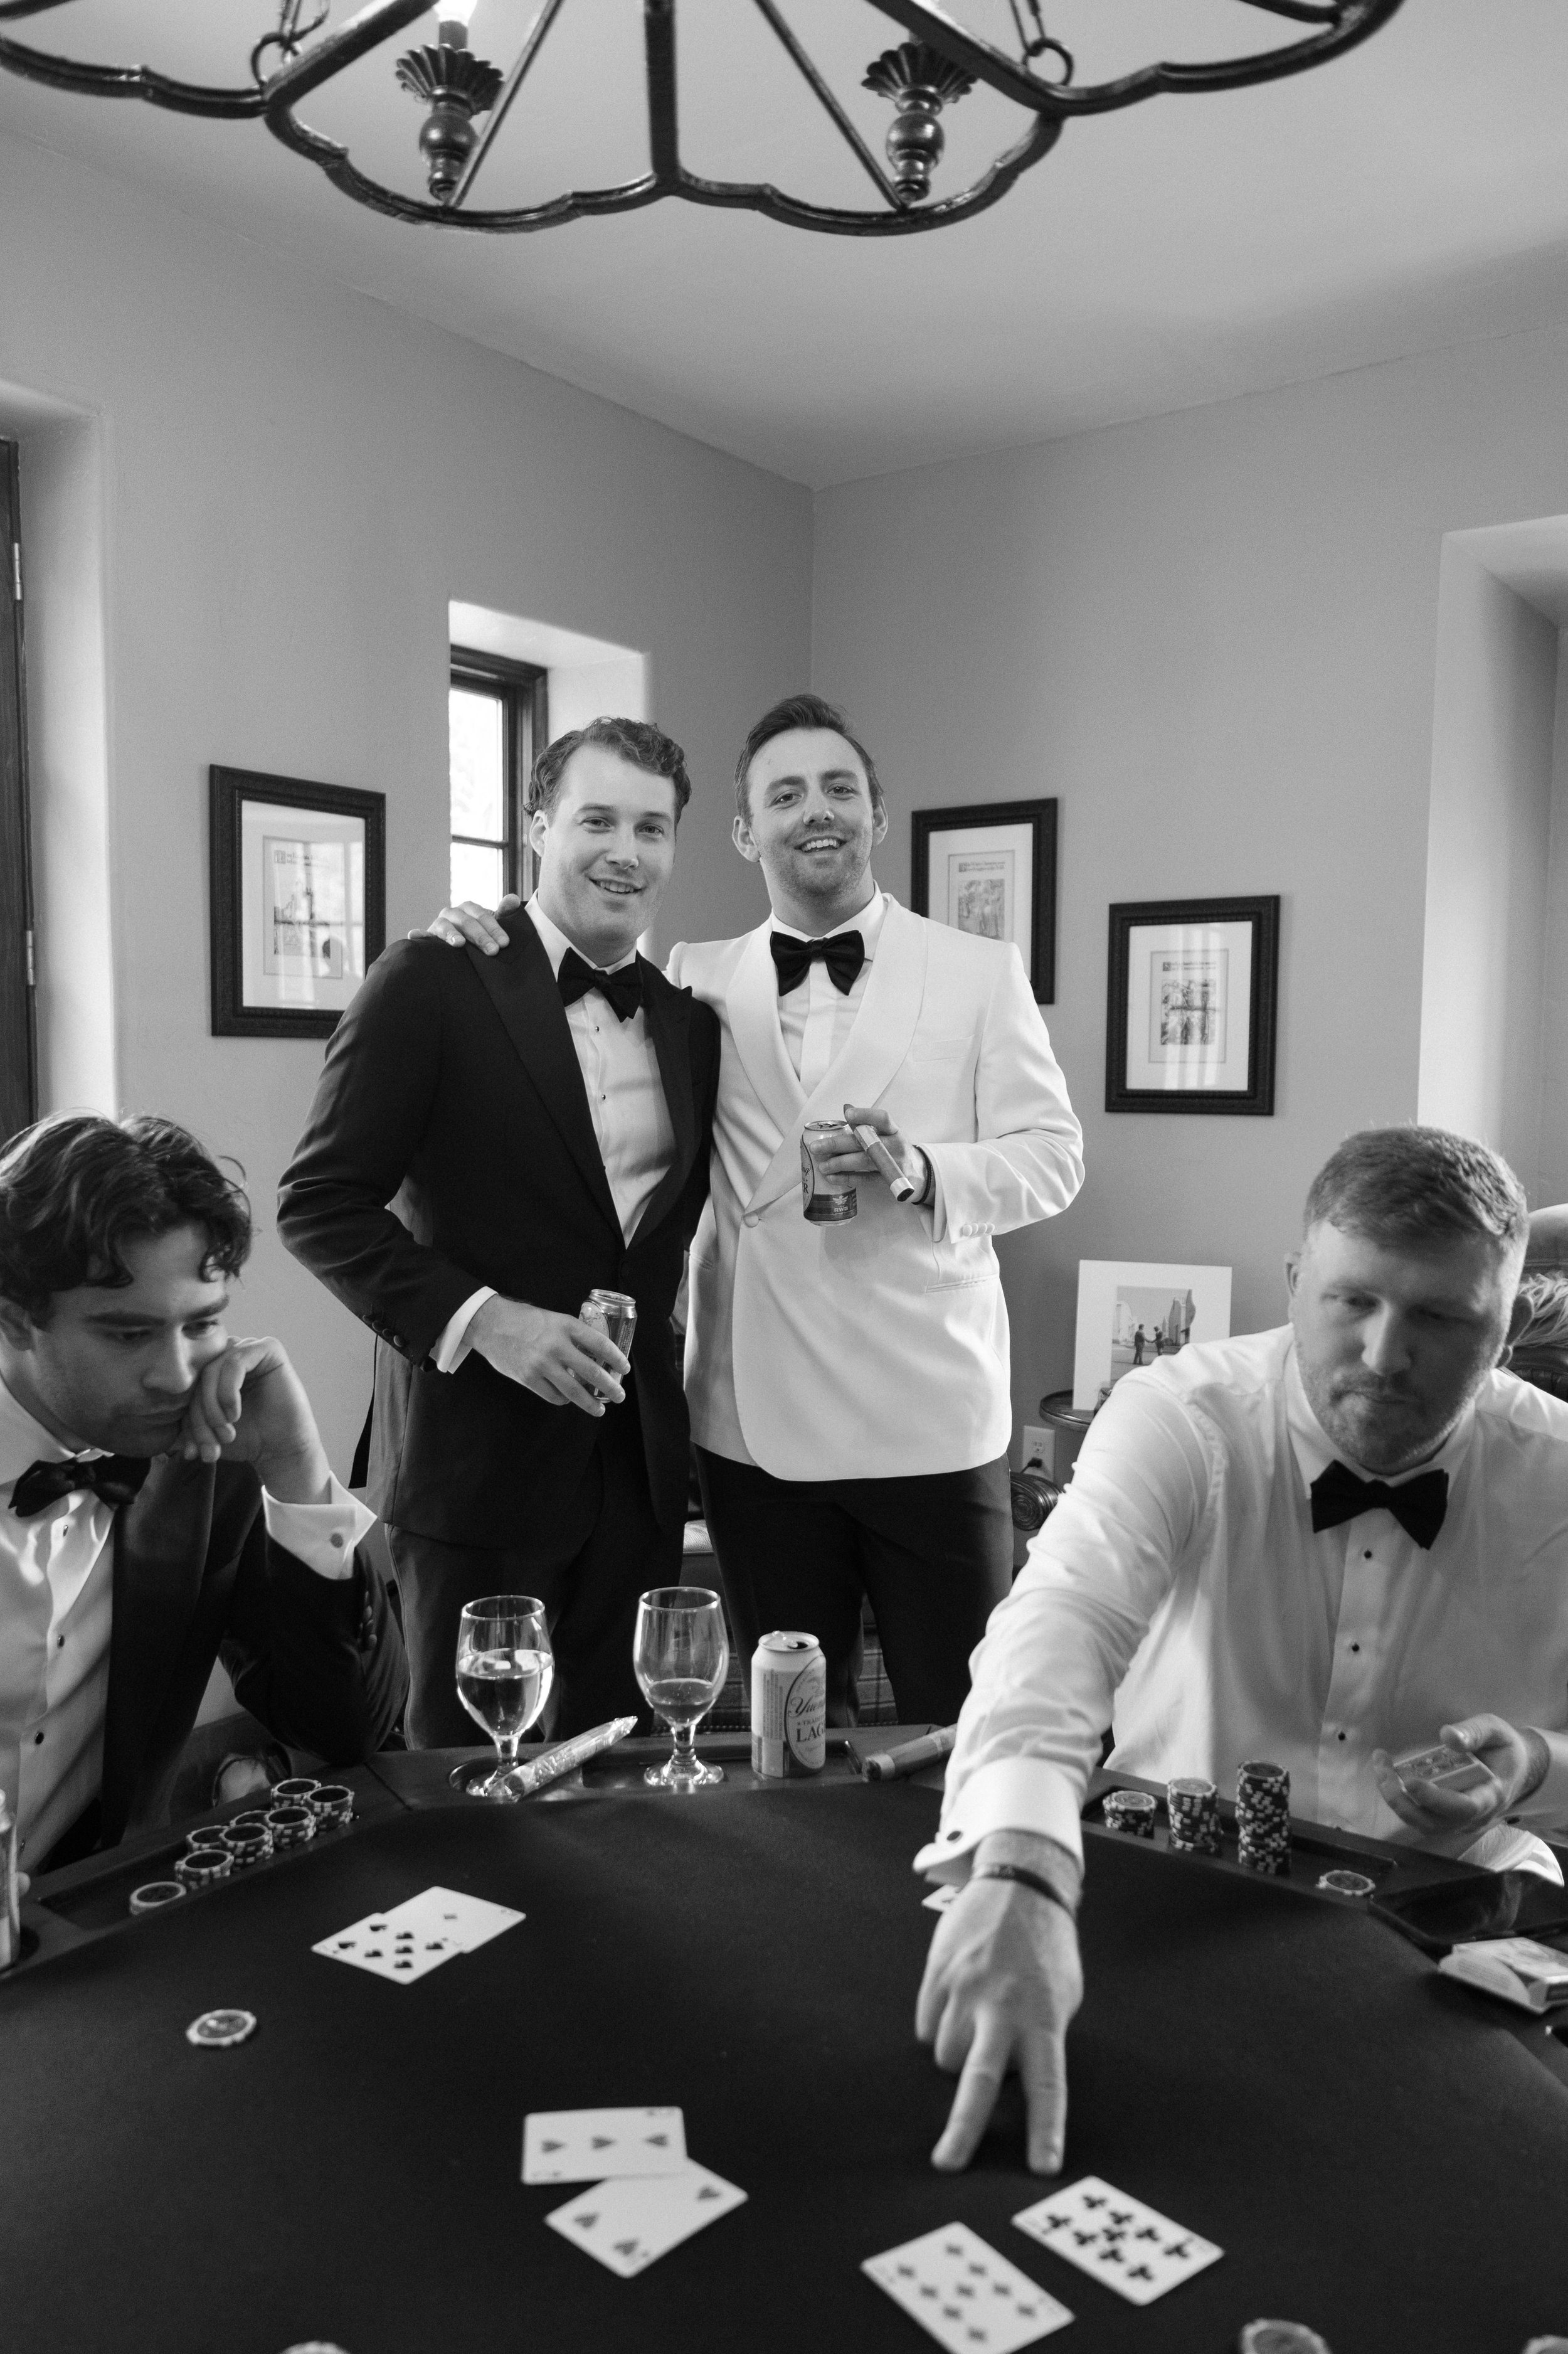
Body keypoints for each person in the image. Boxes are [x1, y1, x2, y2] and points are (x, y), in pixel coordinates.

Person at [912, 1124, 1568, 2176]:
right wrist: (1025, 1863)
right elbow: (1061, 1618)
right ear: (1298, 1277)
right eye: (1353, 1300)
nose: (1387, 1354)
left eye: (1443, 1317)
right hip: (1178, 1885)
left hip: (1462, 1924)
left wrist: (1536, 1763)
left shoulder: (1560, 1474)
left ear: (1508, 1319)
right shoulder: (1183, 1413)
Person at [425, 692, 1083, 1725]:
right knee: (788, 1727)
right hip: (754, 1422)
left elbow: (1054, 1160)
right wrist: (484, 930)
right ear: (744, 832)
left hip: (933, 1412)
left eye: (838, 789)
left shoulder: (978, 972)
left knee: (962, 1724)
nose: (815, 810)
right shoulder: (693, 978)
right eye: (785, 794)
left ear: (877, 814)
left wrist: (926, 1169)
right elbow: (557, 1024)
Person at [278, 718, 719, 1747]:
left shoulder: (691, 1024)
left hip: (635, 1472)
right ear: (537, 828)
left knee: (628, 1777)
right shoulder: (430, 980)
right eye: (597, 819)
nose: (627, 850)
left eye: (652, 828)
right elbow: (319, 1202)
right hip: (470, 1470)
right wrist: (487, 1320)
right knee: (466, 1785)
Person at [0, 1112, 406, 1878]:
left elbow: (353, 1729)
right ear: (16, 1318)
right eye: (129, 1335)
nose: (179, 1374)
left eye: (203, 1324)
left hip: (88, 1933)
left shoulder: (208, 1460)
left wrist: (295, 1464)